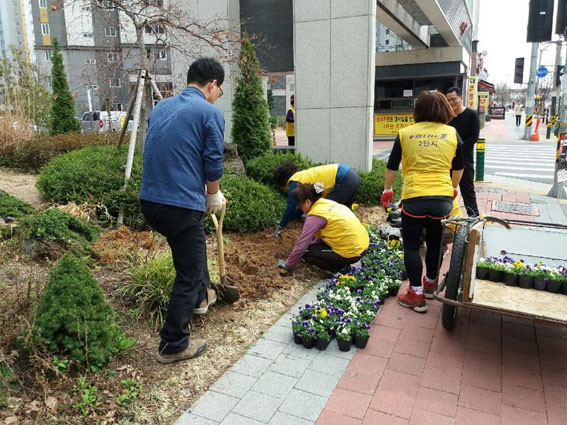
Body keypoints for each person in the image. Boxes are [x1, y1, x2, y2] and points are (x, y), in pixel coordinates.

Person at [138, 57, 226, 364]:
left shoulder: (162, 107)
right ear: (212, 84)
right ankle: (173, 344)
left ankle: (200, 299)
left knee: (193, 248)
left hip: (150, 201)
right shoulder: (210, 113)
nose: (217, 96)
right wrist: (213, 194)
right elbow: (213, 163)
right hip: (179, 205)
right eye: (219, 91)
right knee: (189, 272)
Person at [382, 90, 464, 313]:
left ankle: (415, 294)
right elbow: (459, 167)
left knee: (411, 245)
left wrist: (388, 189)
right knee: (435, 243)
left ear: (418, 109)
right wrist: (453, 187)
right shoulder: (452, 133)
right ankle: (430, 285)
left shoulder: (405, 133)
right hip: (442, 198)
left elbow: (391, 166)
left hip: (414, 197)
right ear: (444, 108)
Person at [277, 183, 369, 273]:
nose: (300, 208)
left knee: (305, 252)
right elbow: (321, 234)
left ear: (307, 202)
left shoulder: (315, 216)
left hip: (352, 253)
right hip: (362, 244)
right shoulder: (325, 203)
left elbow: (302, 244)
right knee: (310, 247)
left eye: (300, 205)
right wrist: (314, 246)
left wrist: (288, 265)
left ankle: (340, 268)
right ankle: (340, 261)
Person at [272, 163, 359, 237]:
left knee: (324, 212)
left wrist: (281, 225)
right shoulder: (301, 177)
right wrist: (290, 218)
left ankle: (320, 242)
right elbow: (303, 207)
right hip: (350, 174)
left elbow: (290, 208)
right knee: (345, 213)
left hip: (344, 179)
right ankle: (352, 236)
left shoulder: (294, 183)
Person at [446, 87, 480, 217]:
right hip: (448, 160)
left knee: (467, 189)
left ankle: (473, 216)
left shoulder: (471, 115)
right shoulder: (446, 117)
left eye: (454, 99)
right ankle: (446, 216)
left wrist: (457, 151)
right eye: (448, 100)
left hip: (465, 159)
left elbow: (474, 137)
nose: (451, 103)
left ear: (461, 98)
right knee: (446, 189)